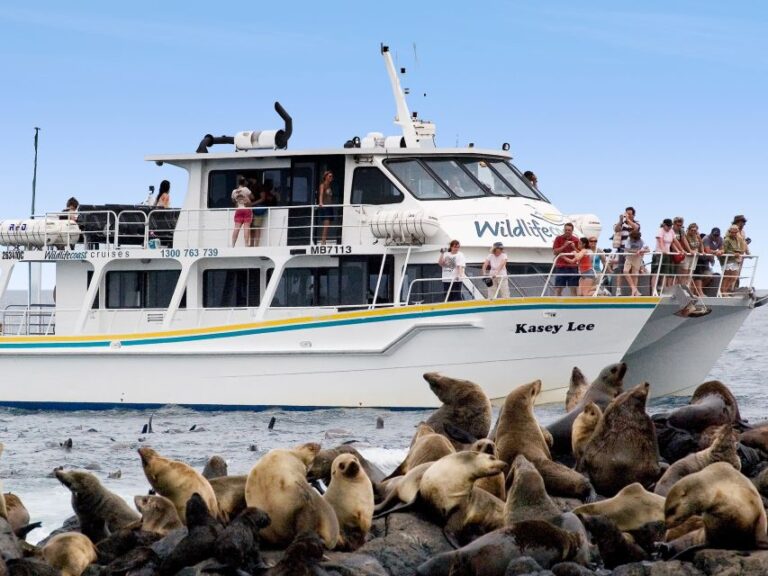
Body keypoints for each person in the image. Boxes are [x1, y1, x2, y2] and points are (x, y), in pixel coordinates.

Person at [613, 207, 640, 295]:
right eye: (626, 213)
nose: (627, 215)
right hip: (622, 250)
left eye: (630, 214)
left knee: (634, 271)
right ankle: (618, 290)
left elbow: (636, 228)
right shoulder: (622, 223)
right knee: (621, 270)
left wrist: (628, 219)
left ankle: (634, 290)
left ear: (633, 215)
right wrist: (621, 220)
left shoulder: (636, 223)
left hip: (633, 251)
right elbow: (616, 229)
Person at [551, 223, 579, 296]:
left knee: (573, 289)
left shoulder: (576, 240)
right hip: (561, 267)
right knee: (558, 289)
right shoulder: (558, 238)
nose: (567, 231)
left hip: (573, 267)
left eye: (569, 230)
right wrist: (564, 245)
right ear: (564, 230)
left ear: (572, 231)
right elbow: (555, 252)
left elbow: (580, 253)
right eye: (566, 230)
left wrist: (573, 247)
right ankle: (557, 306)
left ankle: (573, 306)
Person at [720, 225, 748, 295]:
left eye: (735, 232)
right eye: (732, 232)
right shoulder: (727, 240)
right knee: (727, 277)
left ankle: (725, 290)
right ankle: (723, 291)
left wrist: (739, 252)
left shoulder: (738, 239)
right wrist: (733, 253)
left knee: (734, 277)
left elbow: (741, 248)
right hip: (728, 260)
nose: (734, 234)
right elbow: (724, 250)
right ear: (729, 232)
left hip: (735, 260)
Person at [250, 179, 277, 247]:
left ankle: (255, 245)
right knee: (253, 226)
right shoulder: (253, 186)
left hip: (259, 209)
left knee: (256, 226)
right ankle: (253, 244)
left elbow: (263, 198)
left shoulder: (260, 187)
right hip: (254, 209)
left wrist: (252, 204)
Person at [654, 218, 679, 292]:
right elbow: (660, 240)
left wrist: (679, 250)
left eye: (670, 226)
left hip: (667, 254)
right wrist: (663, 249)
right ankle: (654, 290)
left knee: (665, 272)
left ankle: (663, 289)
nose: (669, 227)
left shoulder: (671, 231)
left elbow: (673, 242)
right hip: (659, 254)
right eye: (668, 226)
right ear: (664, 225)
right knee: (656, 273)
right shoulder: (660, 231)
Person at [623, 230, 649, 297]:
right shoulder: (628, 240)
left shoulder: (642, 241)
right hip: (629, 257)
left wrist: (641, 251)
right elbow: (627, 249)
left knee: (635, 274)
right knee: (625, 271)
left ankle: (634, 293)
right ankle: (633, 288)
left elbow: (648, 250)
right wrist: (636, 251)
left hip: (637, 258)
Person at [231, 177, 253, 247]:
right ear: (244, 182)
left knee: (236, 227)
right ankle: (246, 245)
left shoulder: (234, 191)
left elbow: (233, 201)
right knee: (246, 227)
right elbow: (252, 197)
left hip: (238, 209)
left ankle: (233, 244)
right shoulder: (246, 189)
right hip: (246, 209)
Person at [685, 223, 705, 296]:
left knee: (690, 274)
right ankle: (684, 290)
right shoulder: (686, 236)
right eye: (692, 230)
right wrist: (690, 250)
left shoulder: (697, 236)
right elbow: (685, 245)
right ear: (689, 230)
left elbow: (701, 243)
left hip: (695, 257)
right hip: (688, 256)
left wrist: (702, 251)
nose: (693, 232)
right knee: (685, 274)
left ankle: (689, 290)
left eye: (695, 230)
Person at [671, 217, 692, 284]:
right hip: (671, 251)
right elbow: (672, 242)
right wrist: (679, 250)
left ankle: (678, 286)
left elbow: (684, 240)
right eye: (678, 225)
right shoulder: (670, 230)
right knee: (670, 270)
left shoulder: (681, 231)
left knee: (679, 270)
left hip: (679, 253)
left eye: (681, 225)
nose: (679, 227)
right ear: (674, 224)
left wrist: (689, 250)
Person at [317, 170, 335, 245]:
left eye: (332, 176)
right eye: (330, 176)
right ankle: (323, 241)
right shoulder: (322, 185)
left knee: (328, 224)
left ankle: (324, 240)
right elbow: (321, 194)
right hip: (325, 207)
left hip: (329, 207)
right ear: (326, 177)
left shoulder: (329, 186)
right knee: (326, 224)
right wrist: (321, 202)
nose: (331, 177)